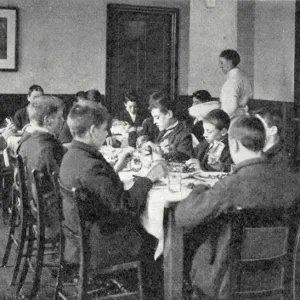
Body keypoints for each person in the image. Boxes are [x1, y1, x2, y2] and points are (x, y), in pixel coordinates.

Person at [175, 115, 300, 300]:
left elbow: (182, 218)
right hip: (279, 276)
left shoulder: (230, 185)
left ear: (234, 145)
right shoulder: (293, 181)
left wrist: (200, 189)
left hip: (228, 281)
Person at [59, 101, 167, 270]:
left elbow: (100, 192)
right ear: (93, 131)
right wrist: (149, 178)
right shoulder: (91, 166)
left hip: (80, 237)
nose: (107, 132)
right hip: (100, 243)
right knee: (158, 236)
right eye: (104, 129)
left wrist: (117, 167)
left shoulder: (72, 155)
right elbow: (127, 205)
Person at [18, 95, 65, 239]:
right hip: (51, 219)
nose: (63, 121)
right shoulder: (49, 148)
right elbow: (66, 183)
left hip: (33, 209)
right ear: (47, 120)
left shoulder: (27, 138)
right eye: (60, 117)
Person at [146, 95, 193, 162]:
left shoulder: (184, 133)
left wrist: (157, 149)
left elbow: (183, 156)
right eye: (153, 118)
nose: (154, 122)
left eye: (157, 117)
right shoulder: (163, 130)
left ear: (169, 114)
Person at [219, 49, 252, 118]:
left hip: (232, 118)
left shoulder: (232, 81)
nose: (220, 66)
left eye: (222, 62)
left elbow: (228, 109)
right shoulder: (243, 76)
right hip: (243, 117)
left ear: (230, 62)